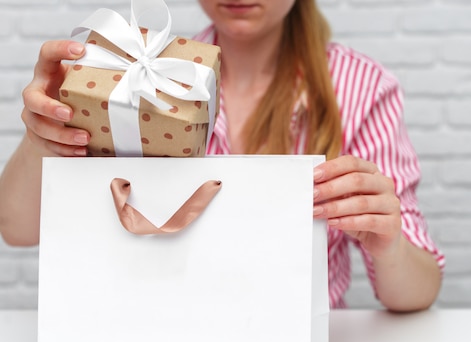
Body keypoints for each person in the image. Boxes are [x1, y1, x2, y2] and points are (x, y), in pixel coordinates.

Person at [0, 0, 444, 312]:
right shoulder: (136, 79)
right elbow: (17, 232)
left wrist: (389, 245)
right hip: (158, 340)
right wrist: (45, 137)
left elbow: (417, 292)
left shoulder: (361, 87)